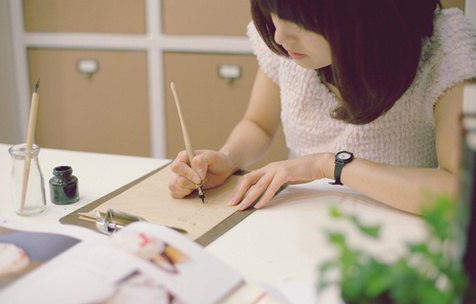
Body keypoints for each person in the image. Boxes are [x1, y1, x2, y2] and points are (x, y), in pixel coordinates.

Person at [168, 0, 476, 215]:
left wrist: (329, 165)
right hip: (304, 226)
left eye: (300, 20)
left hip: (395, 236)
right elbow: (258, 124)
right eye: (273, 11)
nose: (279, 36)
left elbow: (458, 193)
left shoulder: (443, 46)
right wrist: (227, 158)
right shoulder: (287, 48)